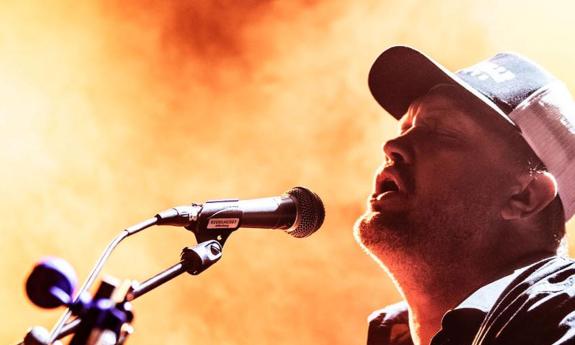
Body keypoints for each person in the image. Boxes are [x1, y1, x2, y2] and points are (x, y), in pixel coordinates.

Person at [354, 46, 575, 345]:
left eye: (444, 133)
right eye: (406, 127)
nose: (392, 145)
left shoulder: (563, 317)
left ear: (524, 196)